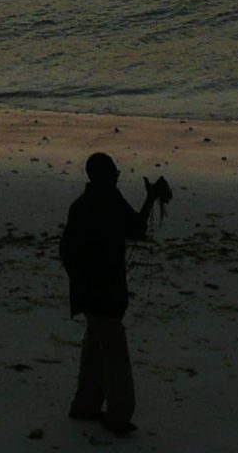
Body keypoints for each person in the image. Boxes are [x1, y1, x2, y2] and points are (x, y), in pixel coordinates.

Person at [59, 153, 171, 434]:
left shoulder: (80, 205)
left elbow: (66, 251)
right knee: (114, 353)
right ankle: (119, 415)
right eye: (114, 171)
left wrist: (79, 279)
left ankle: (86, 405)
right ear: (105, 176)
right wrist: (150, 198)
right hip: (107, 293)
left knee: (95, 347)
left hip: (87, 293)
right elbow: (136, 229)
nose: (118, 175)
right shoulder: (110, 201)